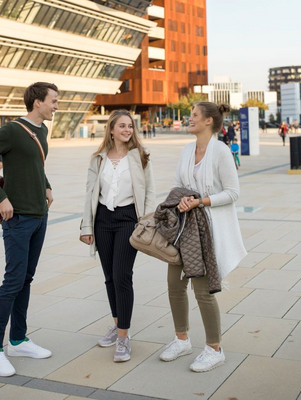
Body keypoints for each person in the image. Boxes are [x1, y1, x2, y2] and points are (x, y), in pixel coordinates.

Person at [0, 82, 58, 377]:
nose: (56, 106)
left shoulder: (42, 132)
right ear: (37, 102)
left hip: (39, 215)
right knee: (12, 281)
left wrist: (46, 187)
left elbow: (36, 165)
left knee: (27, 278)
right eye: (53, 101)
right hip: (18, 217)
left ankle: (18, 339)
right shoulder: (10, 130)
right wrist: (1, 198)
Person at [159, 102, 246, 372]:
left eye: (194, 115)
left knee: (203, 290)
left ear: (209, 121)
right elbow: (177, 184)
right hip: (183, 228)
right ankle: (182, 338)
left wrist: (201, 201)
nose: (189, 118)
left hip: (208, 231)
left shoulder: (220, 151)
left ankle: (214, 348)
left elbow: (233, 192)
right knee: (174, 284)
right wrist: (183, 199)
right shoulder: (187, 150)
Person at [80, 109, 155, 363]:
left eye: (130, 126)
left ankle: (124, 337)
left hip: (127, 220)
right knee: (110, 277)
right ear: (111, 129)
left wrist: (145, 222)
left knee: (123, 276)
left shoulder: (140, 157)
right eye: (122, 126)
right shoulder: (98, 158)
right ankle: (117, 324)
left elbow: (150, 192)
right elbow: (90, 194)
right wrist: (86, 227)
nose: (127, 130)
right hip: (102, 220)